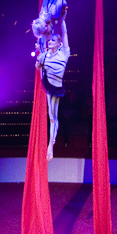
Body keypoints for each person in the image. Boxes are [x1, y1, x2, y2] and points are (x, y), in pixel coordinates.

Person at [36, 18, 70, 160]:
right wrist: (39, 54)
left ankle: (51, 145)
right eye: (49, 40)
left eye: (53, 41)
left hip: (56, 87)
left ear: (59, 44)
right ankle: (50, 145)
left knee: (53, 117)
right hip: (47, 83)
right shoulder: (44, 55)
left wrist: (62, 20)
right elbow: (37, 66)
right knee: (51, 117)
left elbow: (65, 33)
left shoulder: (64, 53)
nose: (50, 42)